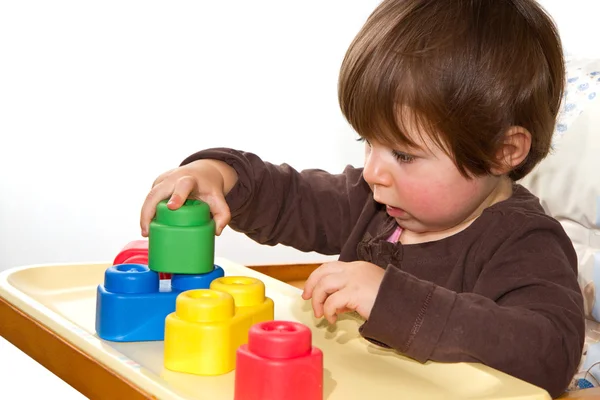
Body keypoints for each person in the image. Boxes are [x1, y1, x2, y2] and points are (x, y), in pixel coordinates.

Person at [139, 0, 585, 397]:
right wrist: (218, 174)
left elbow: (549, 352)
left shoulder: (525, 243)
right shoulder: (372, 204)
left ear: (501, 152)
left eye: (404, 155)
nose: (373, 171)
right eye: (367, 142)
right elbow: (291, 196)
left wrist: (391, 299)